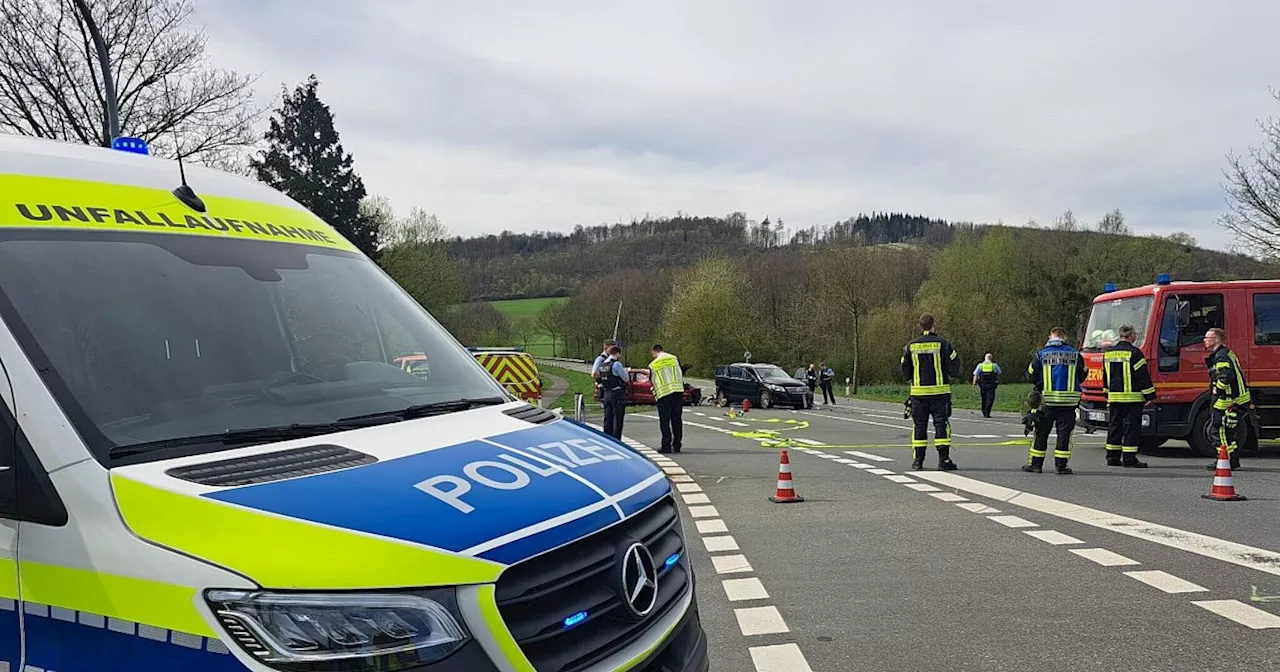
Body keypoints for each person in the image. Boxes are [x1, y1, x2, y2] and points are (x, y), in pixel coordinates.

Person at [900, 313, 961, 471]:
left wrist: (913, 378)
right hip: (940, 394)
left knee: (919, 426)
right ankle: (943, 460)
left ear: (920, 326)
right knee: (941, 426)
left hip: (919, 395)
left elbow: (904, 369)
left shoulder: (910, 346)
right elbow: (955, 365)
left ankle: (918, 461)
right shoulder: (943, 344)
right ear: (934, 324)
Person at [1024, 327, 1084, 474]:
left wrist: (1039, 385)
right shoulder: (1076, 355)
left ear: (1050, 337)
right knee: (1064, 435)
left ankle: (1036, 465)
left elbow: (1030, 374)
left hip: (1047, 402)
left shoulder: (1040, 355)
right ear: (1065, 337)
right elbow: (1083, 374)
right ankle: (1061, 466)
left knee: (1041, 433)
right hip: (1068, 403)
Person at [1102, 324, 1156, 468]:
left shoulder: (1108, 353)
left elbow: (1106, 376)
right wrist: (1150, 396)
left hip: (1114, 398)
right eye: (1135, 335)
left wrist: (1106, 394)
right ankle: (1129, 458)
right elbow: (1142, 377)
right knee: (1131, 428)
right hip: (1132, 399)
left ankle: (1112, 458)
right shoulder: (1135, 353)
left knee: (1114, 427)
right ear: (1131, 336)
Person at [1203, 327, 1252, 470]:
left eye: (1208, 338)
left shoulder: (1221, 356)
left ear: (1216, 340)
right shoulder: (1226, 352)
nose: (1204, 341)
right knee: (1230, 430)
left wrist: (1217, 389)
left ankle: (1225, 459)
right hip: (1236, 397)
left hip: (1227, 398)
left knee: (1218, 429)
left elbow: (1226, 377)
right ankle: (1233, 460)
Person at [648, 344, 685, 453]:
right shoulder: (674, 358)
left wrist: (655, 394)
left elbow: (652, 381)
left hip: (663, 394)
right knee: (677, 420)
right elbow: (680, 372)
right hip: (677, 391)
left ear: (654, 352)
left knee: (665, 421)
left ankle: (666, 445)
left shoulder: (653, 364)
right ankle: (677, 445)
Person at [596, 345, 628, 439]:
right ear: (617, 354)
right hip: (617, 393)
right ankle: (616, 439)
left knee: (608, 417)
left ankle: (607, 438)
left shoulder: (603, 365)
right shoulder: (617, 364)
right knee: (617, 418)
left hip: (606, 393)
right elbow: (625, 379)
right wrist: (626, 371)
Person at [972, 353, 1002, 418]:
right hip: (991, 385)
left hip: (982, 385)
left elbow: (976, 374)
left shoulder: (980, 365)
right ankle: (987, 413)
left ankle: (984, 411)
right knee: (990, 399)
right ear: (991, 358)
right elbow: (999, 372)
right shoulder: (994, 365)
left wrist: (974, 383)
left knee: (984, 398)